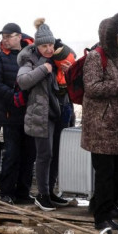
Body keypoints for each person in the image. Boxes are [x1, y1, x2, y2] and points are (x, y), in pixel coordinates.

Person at [81, 14, 118, 231]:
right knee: (105, 174)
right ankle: (101, 217)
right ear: (111, 35)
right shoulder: (96, 57)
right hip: (101, 126)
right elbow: (92, 88)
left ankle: (110, 206)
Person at [17, 19, 73, 210]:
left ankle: (51, 192)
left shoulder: (59, 57)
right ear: (37, 45)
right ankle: (42, 195)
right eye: (44, 46)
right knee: (44, 155)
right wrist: (44, 69)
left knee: (56, 154)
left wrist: (69, 71)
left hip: (60, 111)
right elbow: (23, 81)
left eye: (50, 45)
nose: (48, 49)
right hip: (40, 113)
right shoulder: (30, 59)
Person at [0, 22, 35, 205]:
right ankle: (6, 193)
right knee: (12, 155)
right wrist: (14, 98)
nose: (4, 40)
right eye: (3, 36)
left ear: (19, 37)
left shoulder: (32, 55)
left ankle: (23, 192)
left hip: (31, 114)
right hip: (10, 114)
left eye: (8, 36)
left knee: (29, 155)